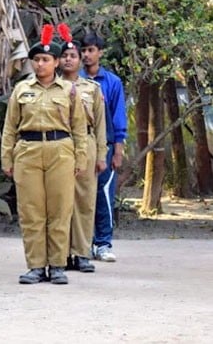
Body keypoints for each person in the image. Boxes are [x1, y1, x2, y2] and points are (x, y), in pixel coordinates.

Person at [1, 24, 87, 285]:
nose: (40, 64)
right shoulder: (21, 90)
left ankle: (58, 265)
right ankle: (36, 265)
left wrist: (81, 158)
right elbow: (10, 127)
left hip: (60, 150)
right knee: (31, 210)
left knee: (60, 210)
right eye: (37, 59)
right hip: (28, 151)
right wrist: (7, 158)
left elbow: (79, 128)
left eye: (46, 60)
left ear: (56, 62)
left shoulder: (68, 91)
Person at [57, 24, 107, 273]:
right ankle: (62, 252)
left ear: (80, 60)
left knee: (85, 200)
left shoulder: (92, 89)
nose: (68, 59)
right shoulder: (52, 87)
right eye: (64, 56)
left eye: (73, 56)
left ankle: (82, 252)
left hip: (86, 145)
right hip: (60, 145)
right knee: (61, 200)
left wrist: (101, 154)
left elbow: (100, 125)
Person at [79, 30, 127, 262]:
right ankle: (83, 243)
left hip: (105, 145)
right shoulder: (73, 80)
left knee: (103, 194)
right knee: (81, 194)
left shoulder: (112, 82)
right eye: (84, 51)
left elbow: (118, 117)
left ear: (100, 53)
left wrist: (118, 149)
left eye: (91, 50)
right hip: (80, 146)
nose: (86, 55)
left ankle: (104, 243)